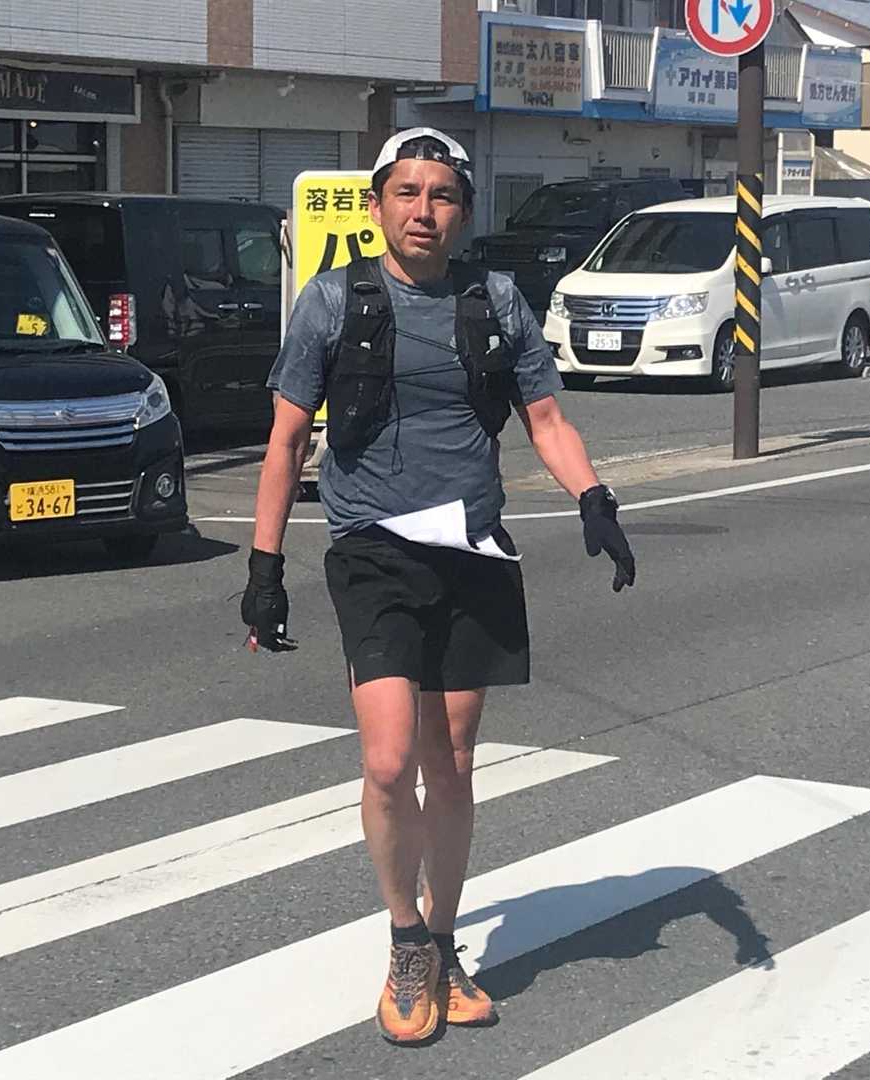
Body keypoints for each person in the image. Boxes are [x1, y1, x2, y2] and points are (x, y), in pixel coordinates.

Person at [239, 128, 636, 1046]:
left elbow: (545, 417)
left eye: (443, 195)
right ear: (378, 204)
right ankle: (405, 938)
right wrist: (264, 570)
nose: (424, 211)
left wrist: (594, 498)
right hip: (372, 551)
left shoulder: (495, 300)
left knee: (451, 763)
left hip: (473, 549)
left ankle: (444, 941)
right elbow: (287, 441)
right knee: (388, 762)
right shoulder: (332, 300)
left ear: (464, 210)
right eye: (408, 193)